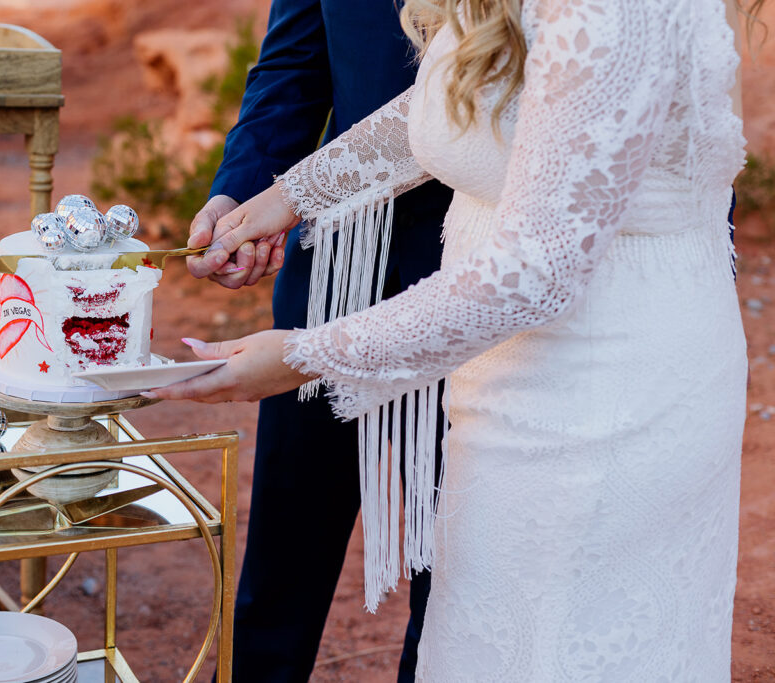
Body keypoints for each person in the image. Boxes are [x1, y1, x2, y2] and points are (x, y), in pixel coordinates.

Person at [153, 0, 756, 678]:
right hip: (507, 379)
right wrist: (283, 198)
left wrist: (305, 356)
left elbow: (537, 268)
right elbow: (459, 97)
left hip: (599, 389)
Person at [185, 1, 454, 681]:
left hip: (472, 273)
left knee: (455, 565)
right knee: (283, 551)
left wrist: (287, 199)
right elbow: (293, 64)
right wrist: (238, 197)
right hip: (335, 259)